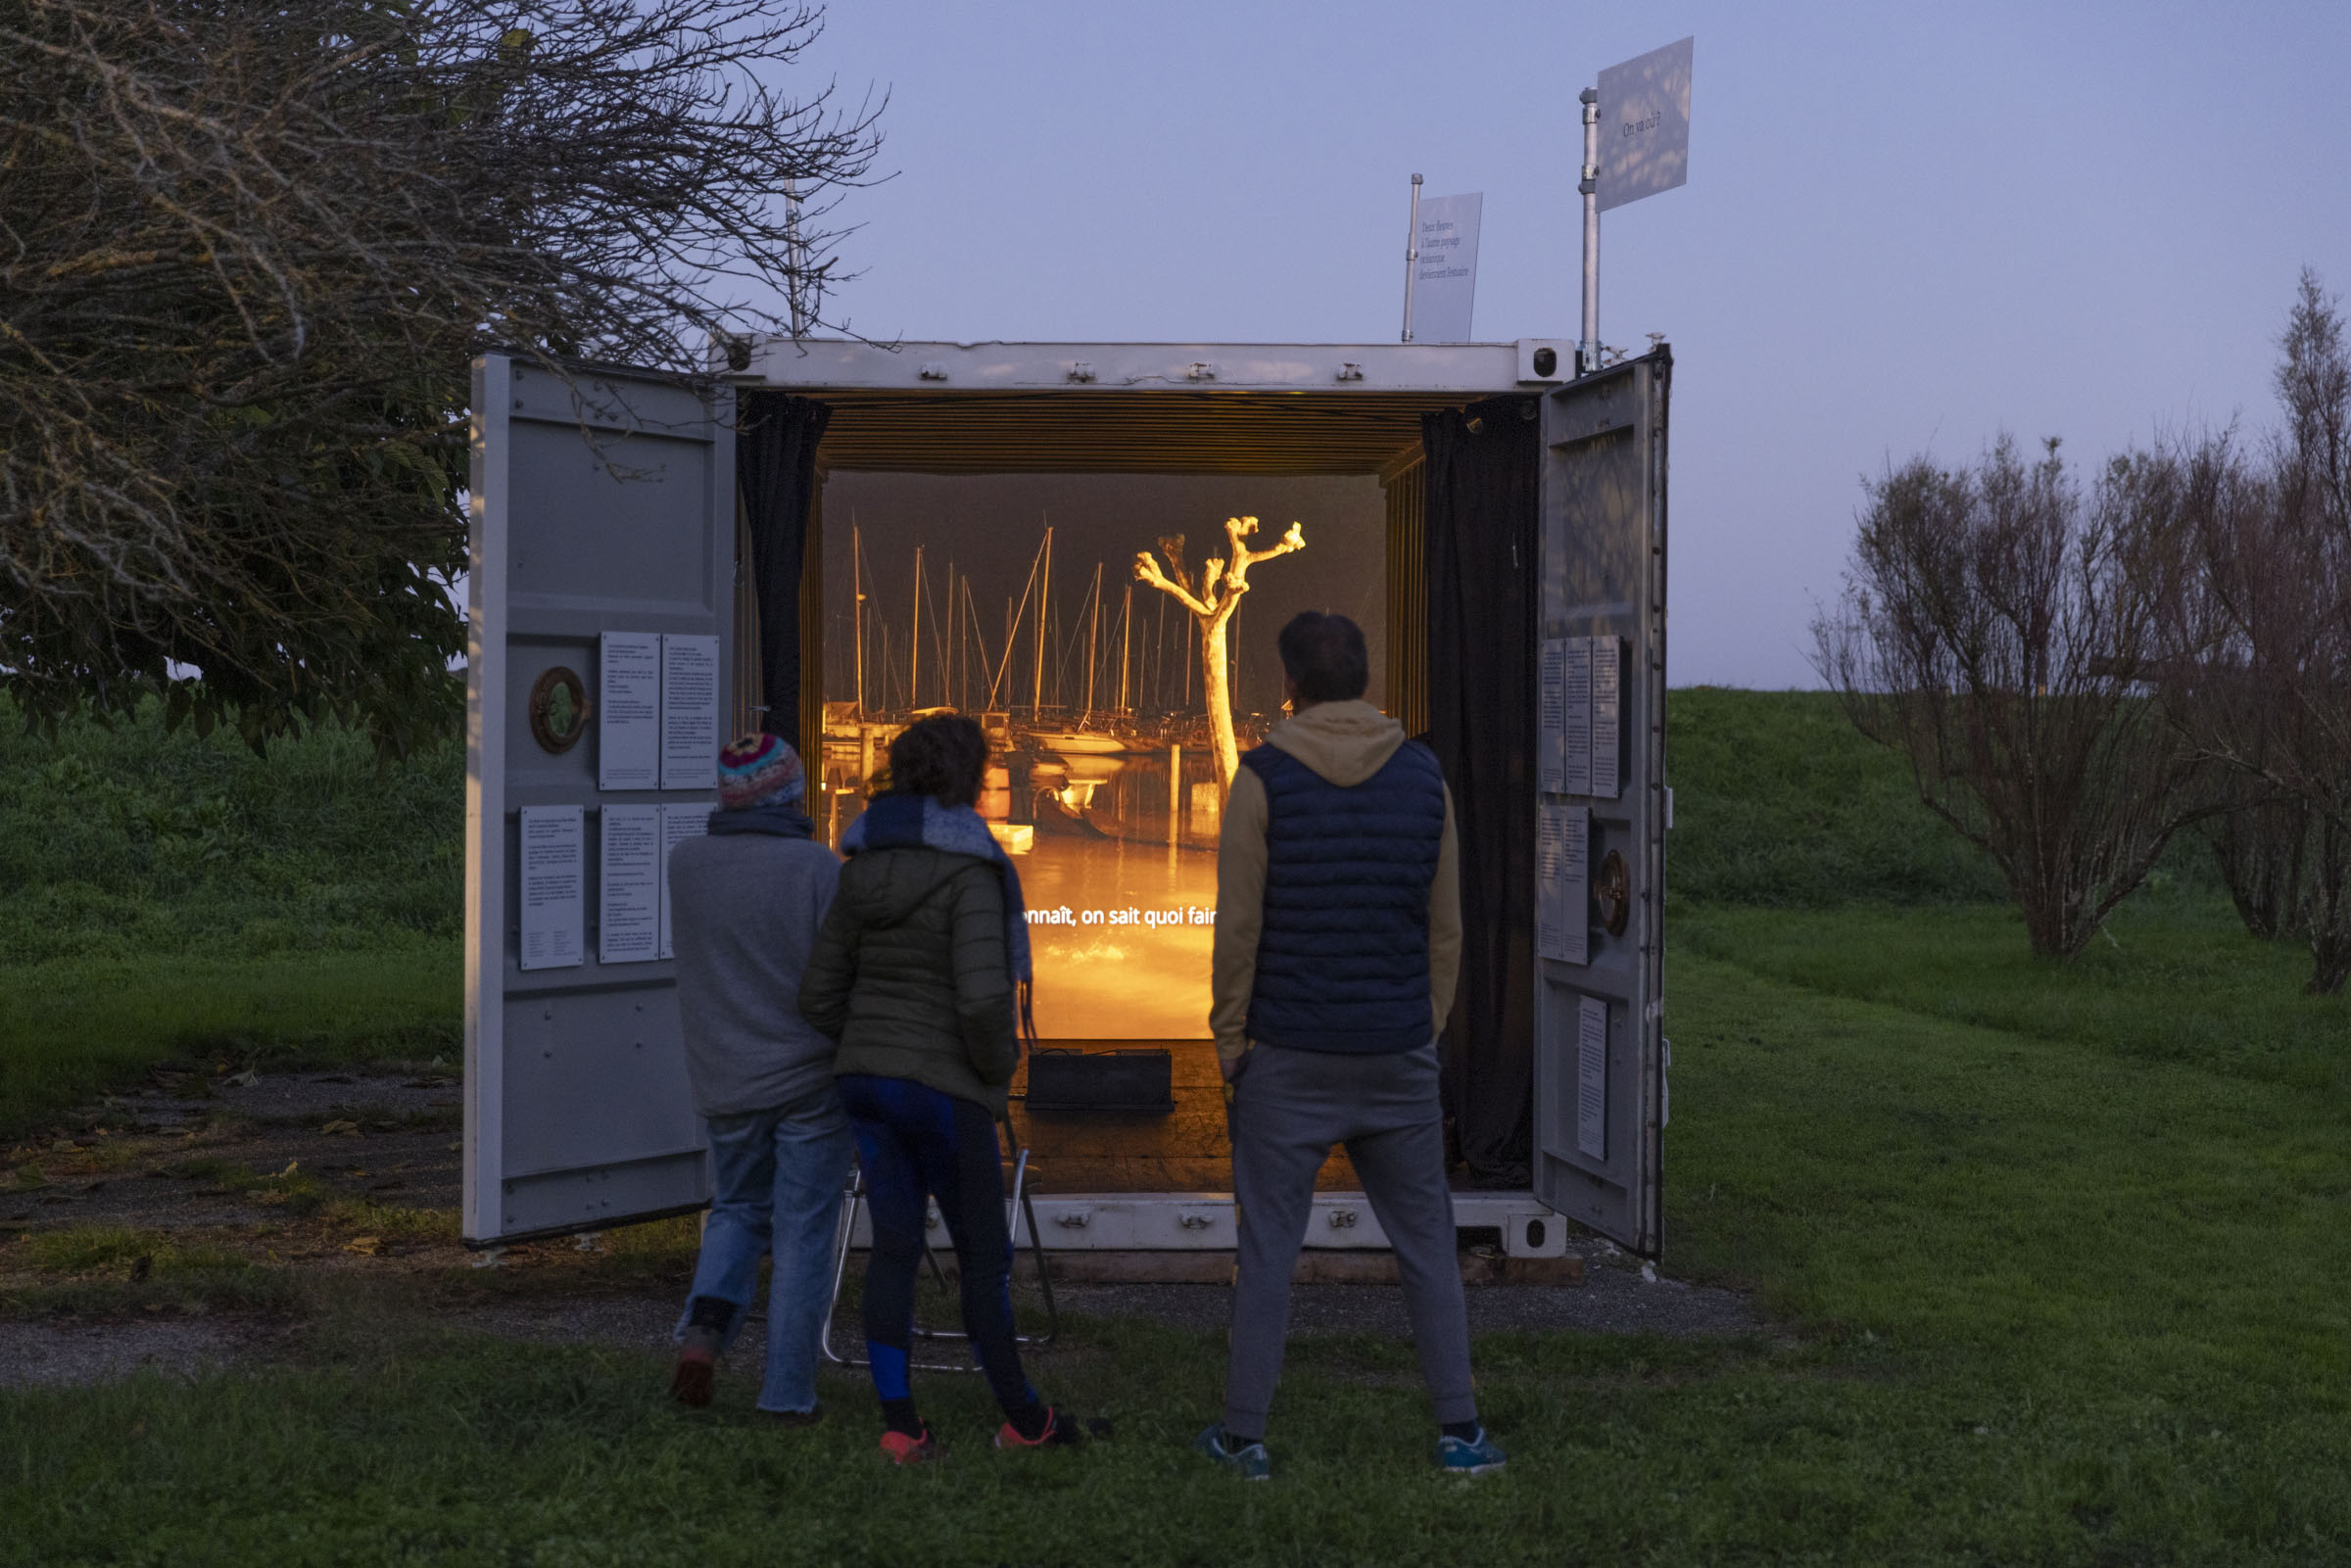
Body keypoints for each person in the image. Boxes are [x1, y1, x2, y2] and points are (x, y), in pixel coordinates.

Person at [1195, 611, 1505, 1480]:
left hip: (1287, 1056)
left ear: (1289, 684)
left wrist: (1231, 1049)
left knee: (1267, 1254)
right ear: (1367, 680)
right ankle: (1462, 1433)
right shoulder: (1423, 777)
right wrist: (1423, 1027)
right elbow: (1446, 932)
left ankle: (1244, 1438)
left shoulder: (1262, 778)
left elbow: (1238, 933)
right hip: (1397, 1054)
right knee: (1427, 1250)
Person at [798, 714, 1079, 1464]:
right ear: (965, 777)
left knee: (893, 1250)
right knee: (982, 1259)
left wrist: (866, 1044)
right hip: (944, 1092)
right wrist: (995, 1072)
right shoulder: (972, 869)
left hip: (867, 1083)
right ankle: (1024, 1417)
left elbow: (819, 994)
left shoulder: (860, 866)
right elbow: (985, 1001)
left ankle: (901, 1426)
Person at [665, 733, 851, 1421]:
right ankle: (787, 1393)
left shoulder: (686, 864)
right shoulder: (815, 868)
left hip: (724, 1077)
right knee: (804, 1232)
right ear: (788, 793)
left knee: (738, 1210)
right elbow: (837, 974)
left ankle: (702, 1341)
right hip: (808, 1079)